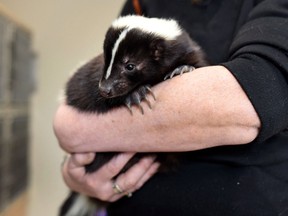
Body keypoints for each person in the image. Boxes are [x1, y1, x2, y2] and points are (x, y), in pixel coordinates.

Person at [53, 0, 288, 215]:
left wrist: (74, 129)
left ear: (159, 52)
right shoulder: (139, 5)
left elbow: (253, 98)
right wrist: (74, 171)